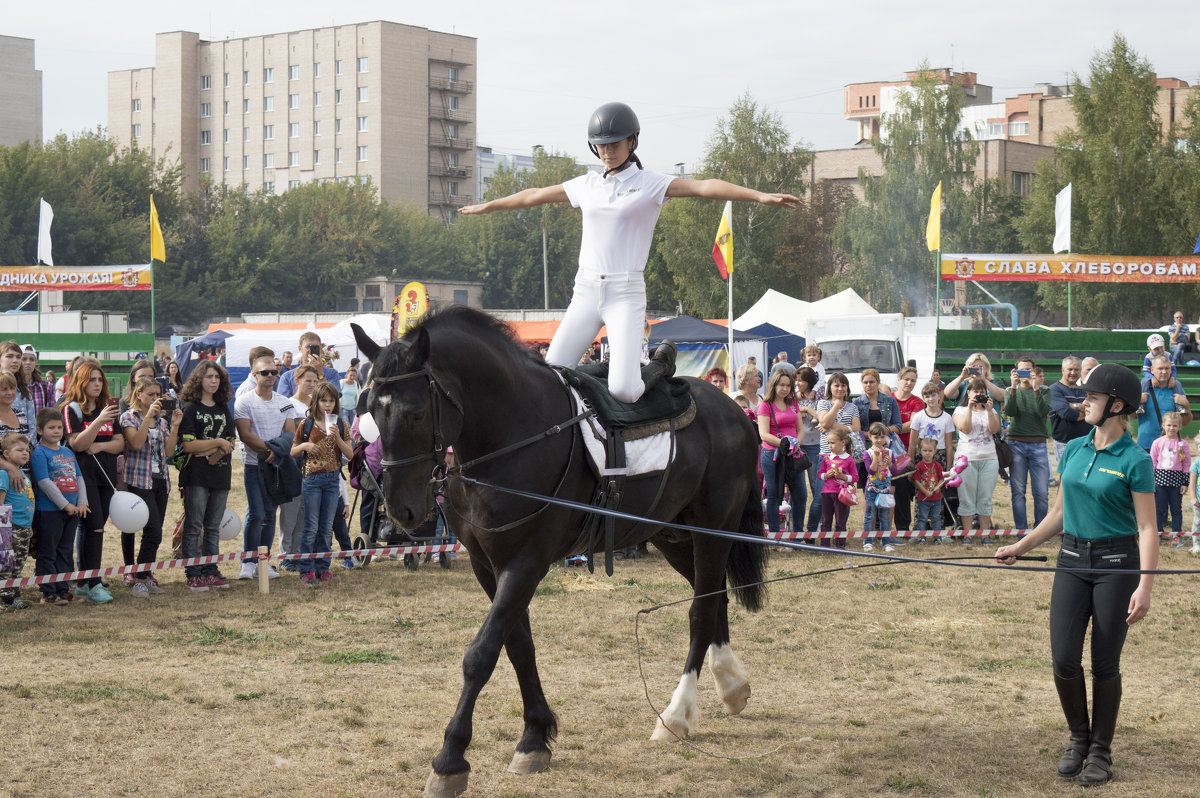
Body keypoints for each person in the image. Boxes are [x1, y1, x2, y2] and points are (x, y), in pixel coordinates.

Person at [458, 102, 799, 403]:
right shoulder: (587, 185)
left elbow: (703, 186)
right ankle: (606, 373)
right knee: (553, 374)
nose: (607, 150)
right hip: (586, 291)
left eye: (615, 143)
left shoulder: (650, 183)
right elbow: (533, 194)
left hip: (625, 293)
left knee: (624, 390)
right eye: (601, 144)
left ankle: (657, 366)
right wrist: (489, 206)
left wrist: (760, 196)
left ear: (632, 141)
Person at [996, 363, 1157, 786]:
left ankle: (1101, 751)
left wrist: (1145, 584)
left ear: (1117, 406)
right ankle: (1078, 740)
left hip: (1116, 567)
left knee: (1105, 663)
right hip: (1071, 561)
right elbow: (1060, 513)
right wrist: (1020, 546)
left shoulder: (1136, 460)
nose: (1082, 402)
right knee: (1064, 659)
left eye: (1093, 397)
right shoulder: (1073, 448)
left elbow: (1146, 528)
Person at [61, 358, 123, 603]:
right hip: (83, 475)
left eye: (100, 380)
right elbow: (77, 443)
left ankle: (84, 582)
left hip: (107, 475)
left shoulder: (109, 407)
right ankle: (94, 582)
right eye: (91, 380)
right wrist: (98, 422)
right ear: (81, 382)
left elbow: (119, 444)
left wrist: (98, 446)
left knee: (94, 528)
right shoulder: (72, 409)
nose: (97, 384)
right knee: (94, 526)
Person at [234, 346, 297, 580]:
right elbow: (245, 434)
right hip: (254, 465)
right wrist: (268, 450)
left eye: (273, 372)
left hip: (277, 465)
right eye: (264, 373)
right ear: (254, 374)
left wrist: (275, 452)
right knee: (257, 514)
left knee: (270, 514)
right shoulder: (244, 401)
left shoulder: (285, 402)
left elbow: (290, 433)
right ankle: (248, 561)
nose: (270, 375)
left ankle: (264, 562)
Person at [176, 361, 237, 591]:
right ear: (199, 379)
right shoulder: (190, 408)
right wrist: (218, 443)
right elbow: (189, 446)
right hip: (196, 476)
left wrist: (212, 449)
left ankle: (211, 570)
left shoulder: (223, 409)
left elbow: (231, 441)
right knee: (194, 526)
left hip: (220, 473)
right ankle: (193, 572)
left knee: (213, 527)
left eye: (217, 377)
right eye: (209, 376)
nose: (213, 381)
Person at [119, 377, 182, 598]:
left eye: (158, 395)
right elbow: (135, 443)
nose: (156, 399)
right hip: (139, 480)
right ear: (139, 394)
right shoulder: (129, 417)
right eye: (151, 395)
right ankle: (139, 578)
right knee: (153, 530)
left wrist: (174, 426)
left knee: (153, 533)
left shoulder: (162, 422)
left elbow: (170, 452)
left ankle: (145, 575)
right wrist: (147, 416)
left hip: (160, 481)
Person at [291, 382, 353, 585]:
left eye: (331, 400)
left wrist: (337, 438)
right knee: (311, 526)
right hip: (312, 480)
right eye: (323, 400)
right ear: (315, 402)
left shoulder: (341, 424)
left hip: (332, 479)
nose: (327, 405)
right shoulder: (306, 424)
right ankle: (306, 569)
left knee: (326, 527)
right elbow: (293, 450)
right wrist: (306, 445)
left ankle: (322, 567)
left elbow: (350, 454)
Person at [31, 408, 86, 604]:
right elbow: (45, 482)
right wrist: (65, 505)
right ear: (39, 430)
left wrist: (81, 502)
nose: (56, 431)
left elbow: (78, 477)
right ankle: (48, 592)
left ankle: (63, 588)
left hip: (72, 510)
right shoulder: (39, 452)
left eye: (59, 427)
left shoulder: (67, 452)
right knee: (48, 551)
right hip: (50, 511)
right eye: (51, 427)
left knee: (65, 550)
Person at [1003, 357, 1051, 531]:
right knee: (1018, 491)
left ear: (1034, 370)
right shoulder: (1010, 389)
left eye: (1028, 370)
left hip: (1038, 443)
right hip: (1016, 443)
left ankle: (1040, 530)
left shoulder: (1044, 390)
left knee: (1042, 493)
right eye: (1021, 370)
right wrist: (1014, 387)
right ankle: (1021, 530)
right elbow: (1010, 411)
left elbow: (1042, 412)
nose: (1025, 373)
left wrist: (1035, 388)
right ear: (1015, 372)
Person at [757, 370, 806, 542]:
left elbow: (800, 429)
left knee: (800, 494)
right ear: (774, 385)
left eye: (788, 385)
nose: (785, 389)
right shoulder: (765, 405)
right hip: (773, 454)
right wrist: (783, 444)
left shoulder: (793, 403)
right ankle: (775, 536)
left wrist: (796, 444)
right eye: (781, 385)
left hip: (794, 454)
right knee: (773, 495)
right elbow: (763, 434)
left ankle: (798, 535)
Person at [952, 376, 1000, 544]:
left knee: (985, 497)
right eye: (976, 392)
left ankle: (985, 534)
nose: (979, 394)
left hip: (989, 458)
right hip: (966, 458)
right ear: (969, 392)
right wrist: (970, 409)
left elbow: (994, 430)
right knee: (966, 497)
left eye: (982, 392)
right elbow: (965, 428)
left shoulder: (991, 411)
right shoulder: (960, 410)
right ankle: (968, 534)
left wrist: (988, 411)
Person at [0, 433, 34, 611]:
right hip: (8, 528)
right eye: (19, 450)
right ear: (6, 454)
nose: (25, 453)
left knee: (18, 564)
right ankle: (4, 599)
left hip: (23, 527)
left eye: (27, 450)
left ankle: (14, 596)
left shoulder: (21, 473)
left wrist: (28, 526)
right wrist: (3, 531)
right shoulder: (4, 474)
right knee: (6, 565)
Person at [890, 366, 924, 535]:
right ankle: (881, 527)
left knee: (903, 491)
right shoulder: (889, 398)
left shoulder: (917, 402)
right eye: (906, 379)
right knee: (886, 488)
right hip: (887, 452)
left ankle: (903, 528)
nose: (909, 383)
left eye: (913, 381)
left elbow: (912, 424)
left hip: (905, 452)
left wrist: (892, 429)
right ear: (899, 379)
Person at [1137, 355, 1191, 452]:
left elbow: (1186, 422)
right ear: (1152, 370)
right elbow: (1130, 416)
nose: (1164, 372)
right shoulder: (1143, 389)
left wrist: (1186, 404)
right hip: (1146, 445)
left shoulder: (1177, 389)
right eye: (1160, 368)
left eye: (1167, 368)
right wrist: (1137, 401)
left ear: (1171, 370)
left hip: (1170, 447)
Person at [1149, 411, 1189, 542]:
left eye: (1175, 426)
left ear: (1179, 427)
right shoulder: (1157, 443)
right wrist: (1152, 481)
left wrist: (1185, 483)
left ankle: (1175, 535)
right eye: (1169, 425)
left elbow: (1186, 464)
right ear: (1163, 426)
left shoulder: (1183, 444)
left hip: (1177, 483)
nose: (1172, 428)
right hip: (1160, 482)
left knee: (1176, 510)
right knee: (1159, 509)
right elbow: (1153, 462)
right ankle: (1158, 533)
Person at [793, 367, 824, 538]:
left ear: (810, 382)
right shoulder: (792, 398)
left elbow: (822, 417)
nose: (798, 383)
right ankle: (794, 527)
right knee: (796, 488)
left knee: (815, 486)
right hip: (797, 445)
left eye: (801, 380)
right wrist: (799, 410)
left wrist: (807, 409)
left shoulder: (819, 397)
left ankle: (816, 525)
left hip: (815, 445)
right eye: (796, 380)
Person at [817, 425, 857, 550]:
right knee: (826, 520)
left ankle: (840, 545)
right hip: (827, 493)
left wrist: (843, 476)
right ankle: (824, 545)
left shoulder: (849, 459)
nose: (830, 446)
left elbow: (855, 477)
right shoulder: (827, 458)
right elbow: (819, 474)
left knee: (840, 521)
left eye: (833, 443)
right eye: (828, 443)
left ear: (842, 442)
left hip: (841, 494)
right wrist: (826, 475)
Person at [862, 422, 897, 552]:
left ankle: (886, 542)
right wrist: (876, 457)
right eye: (876, 437)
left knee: (884, 516)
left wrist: (890, 464)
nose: (879, 440)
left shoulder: (890, 452)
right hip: (871, 488)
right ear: (870, 437)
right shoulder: (868, 453)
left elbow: (895, 472)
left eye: (882, 437)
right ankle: (867, 541)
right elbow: (870, 471)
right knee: (870, 515)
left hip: (885, 489)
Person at [1049, 357, 1090, 464]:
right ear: (1063, 370)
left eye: (1077, 370)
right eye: (1070, 369)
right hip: (1064, 444)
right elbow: (1067, 413)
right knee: (1066, 477)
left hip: (1086, 442)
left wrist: (1073, 405)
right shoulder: (1054, 390)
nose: (1073, 373)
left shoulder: (1085, 390)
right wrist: (1084, 410)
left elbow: (1095, 410)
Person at [276, 333, 341, 399]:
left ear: (320, 348)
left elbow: (334, 398)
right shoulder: (287, 377)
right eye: (307, 347)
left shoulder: (332, 373)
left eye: (315, 347)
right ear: (300, 348)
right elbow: (283, 403)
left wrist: (320, 373)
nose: (311, 350)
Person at [817, 372, 862, 464]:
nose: (840, 388)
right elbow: (825, 423)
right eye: (836, 386)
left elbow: (857, 428)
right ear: (830, 387)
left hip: (848, 455)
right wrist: (836, 405)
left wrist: (831, 426)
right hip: (827, 454)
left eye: (843, 385)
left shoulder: (852, 407)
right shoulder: (823, 403)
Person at [912, 436, 946, 541]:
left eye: (930, 451)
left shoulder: (937, 466)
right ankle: (921, 537)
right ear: (920, 451)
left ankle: (937, 537)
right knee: (922, 518)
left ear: (935, 451)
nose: (927, 453)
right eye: (925, 450)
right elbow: (916, 481)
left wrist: (937, 487)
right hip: (923, 499)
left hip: (936, 499)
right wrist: (925, 491)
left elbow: (942, 479)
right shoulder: (919, 466)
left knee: (936, 518)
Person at [20, 346, 53, 415]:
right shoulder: (12, 386)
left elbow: (51, 416)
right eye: (24, 359)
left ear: (35, 363)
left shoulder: (46, 386)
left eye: (32, 359)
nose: (28, 362)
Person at [1188, 432, 1200, 554]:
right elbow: (1192, 482)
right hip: (1199, 501)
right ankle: (1196, 544)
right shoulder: (1196, 464)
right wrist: (1193, 497)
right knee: (1197, 522)